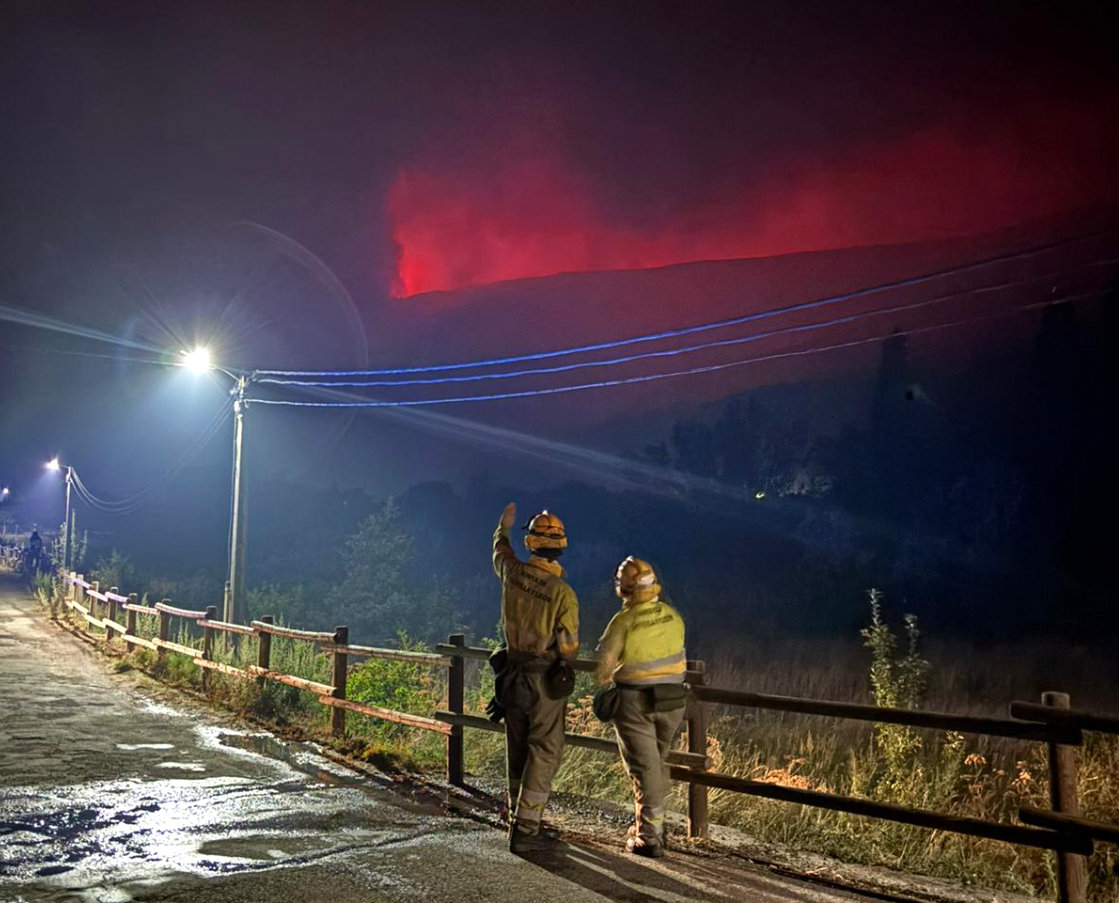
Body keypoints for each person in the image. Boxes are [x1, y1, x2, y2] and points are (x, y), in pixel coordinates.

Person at [493, 502, 579, 853]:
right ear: (560, 547)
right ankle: (527, 828)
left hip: (511, 675)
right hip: (543, 680)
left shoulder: (512, 573)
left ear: (530, 544)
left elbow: (500, 551)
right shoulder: (563, 594)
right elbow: (569, 646)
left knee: (517, 746)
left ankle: (515, 815)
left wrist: (503, 527)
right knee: (544, 749)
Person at [596, 556, 687, 858]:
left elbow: (603, 670)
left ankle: (648, 839)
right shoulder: (673, 616)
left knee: (644, 769)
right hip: (672, 700)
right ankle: (657, 829)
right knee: (658, 763)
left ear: (624, 589)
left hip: (635, 702)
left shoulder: (623, 621)